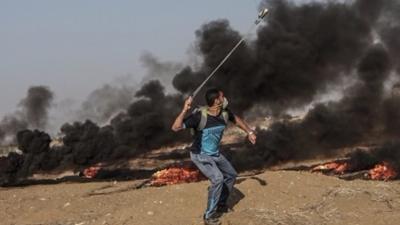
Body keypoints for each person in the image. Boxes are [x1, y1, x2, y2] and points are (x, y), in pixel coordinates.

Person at [171, 88, 257, 225]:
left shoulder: (224, 113)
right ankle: (209, 216)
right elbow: (175, 127)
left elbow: (236, 119)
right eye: (223, 96)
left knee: (231, 175)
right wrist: (184, 110)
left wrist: (249, 132)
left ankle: (221, 204)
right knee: (218, 178)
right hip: (200, 155)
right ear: (216, 100)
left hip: (215, 153)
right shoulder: (199, 116)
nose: (225, 98)